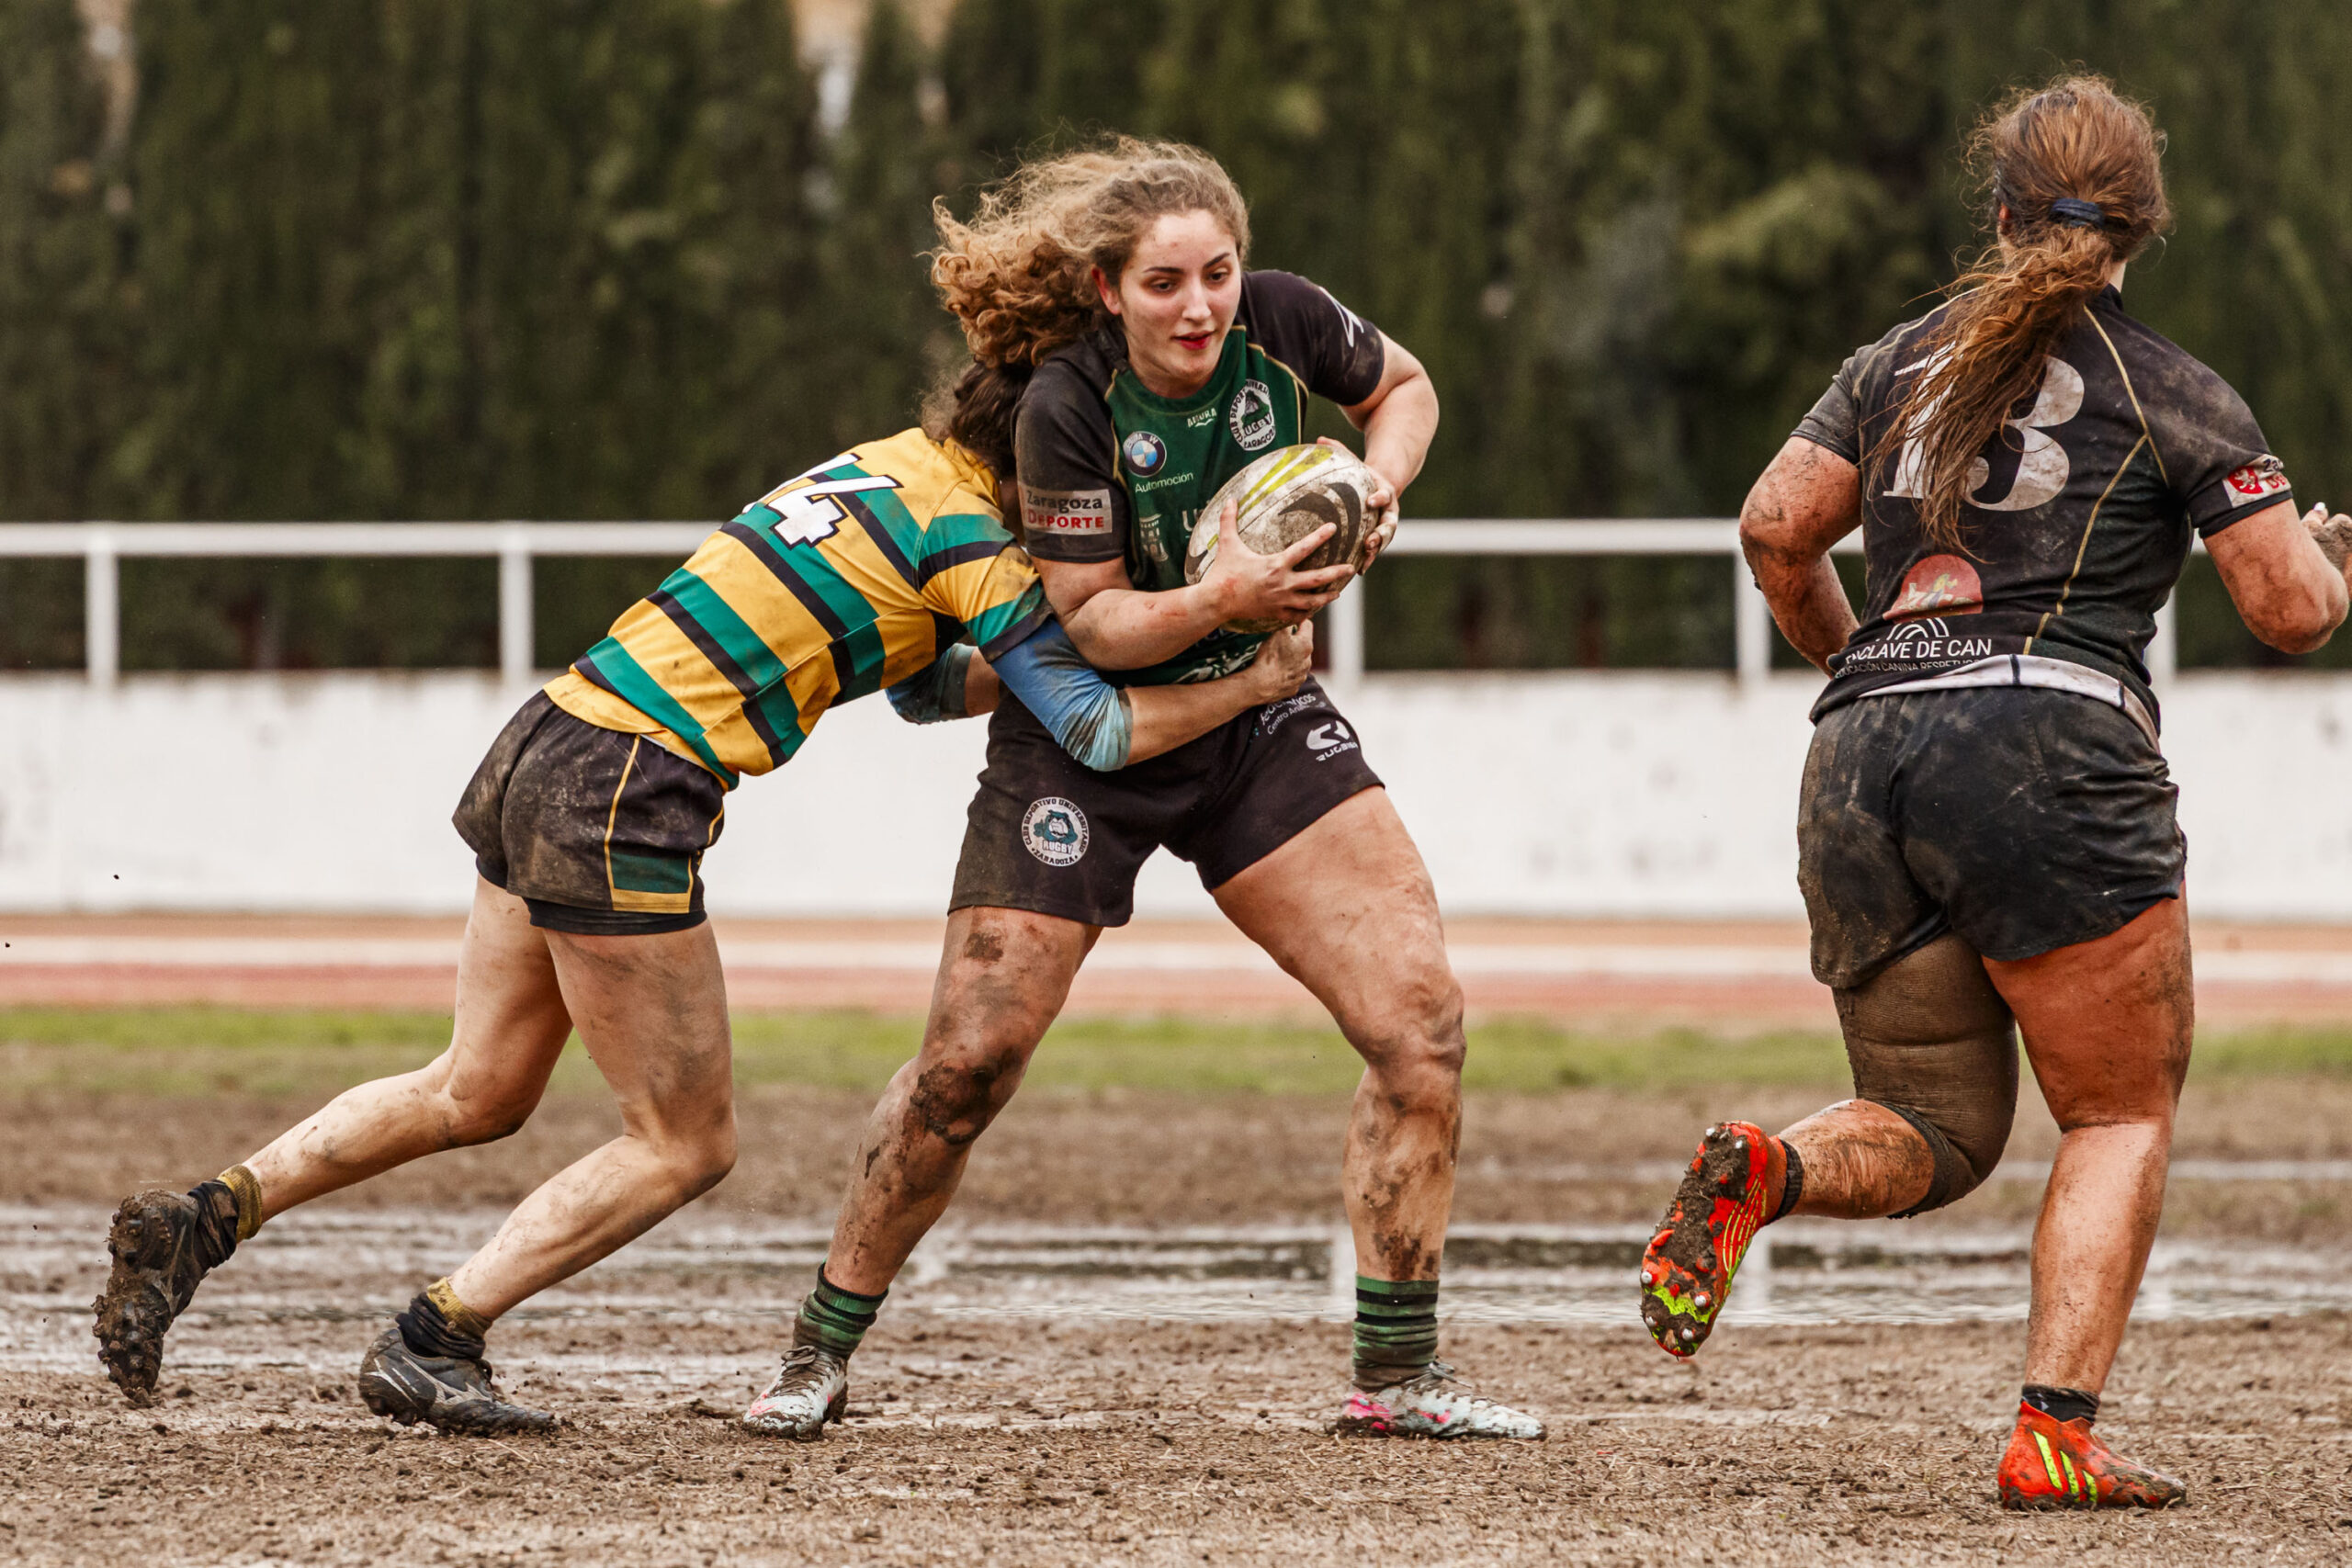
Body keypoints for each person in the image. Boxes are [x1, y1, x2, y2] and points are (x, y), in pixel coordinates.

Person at [89, 367, 1336, 1433]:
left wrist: (1029, 664)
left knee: (473, 1085)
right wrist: (1252, 678)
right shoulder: (986, 545)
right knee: (686, 1141)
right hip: (629, 783)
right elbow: (1096, 727)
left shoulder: (895, 469)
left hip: (552, 732)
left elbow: (915, 686)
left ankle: (208, 1213)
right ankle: (435, 1335)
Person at [744, 138, 1544, 1444]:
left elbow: (1403, 388)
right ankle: (819, 1348)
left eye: (1216, 274)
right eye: (1165, 282)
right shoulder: (1067, 402)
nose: (1200, 306)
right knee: (967, 1066)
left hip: (1263, 717)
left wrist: (1374, 485)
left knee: (1420, 1028)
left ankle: (1398, 1378)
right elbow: (1101, 627)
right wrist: (1230, 597)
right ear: (1108, 291)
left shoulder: (1282, 322)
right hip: (1088, 738)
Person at [1636, 76, 2351, 1509]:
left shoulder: (1893, 363)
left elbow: (1777, 527)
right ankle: (2054, 1435)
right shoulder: (2175, 384)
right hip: (2054, 754)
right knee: (2115, 1117)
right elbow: (2287, 610)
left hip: (1865, 756)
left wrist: (1870, 665)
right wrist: (2331, 556)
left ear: (2000, 210)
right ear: (2141, 225)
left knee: (1937, 1126)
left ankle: (1763, 1169)